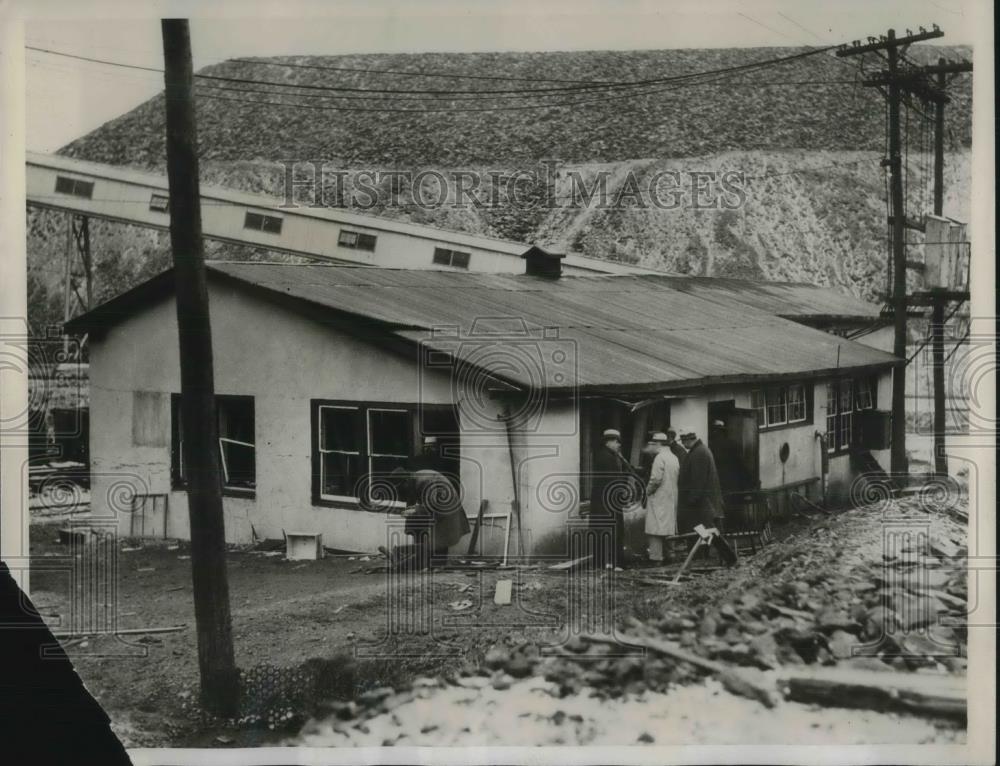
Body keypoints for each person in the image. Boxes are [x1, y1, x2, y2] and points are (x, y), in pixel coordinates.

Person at [676, 426, 737, 566]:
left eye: (683, 441)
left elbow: (699, 480)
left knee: (709, 533)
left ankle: (728, 559)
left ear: (688, 440)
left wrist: (691, 500)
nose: (682, 444)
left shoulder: (699, 453)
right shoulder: (700, 450)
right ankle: (712, 559)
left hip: (702, 505)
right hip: (703, 503)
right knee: (708, 533)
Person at [588, 428, 639, 570]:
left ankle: (604, 562)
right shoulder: (607, 457)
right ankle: (612, 563)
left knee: (606, 532)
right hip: (607, 502)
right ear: (608, 442)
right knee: (611, 532)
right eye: (616, 442)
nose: (619, 444)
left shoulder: (607, 455)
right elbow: (612, 481)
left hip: (604, 501)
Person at [644, 432, 680, 564]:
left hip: (659, 497)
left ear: (658, 444)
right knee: (669, 528)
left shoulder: (659, 458)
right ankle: (671, 555)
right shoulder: (674, 457)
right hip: (671, 497)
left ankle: (656, 558)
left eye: (653, 444)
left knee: (655, 529)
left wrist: (647, 491)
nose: (651, 446)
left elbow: (655, 479)